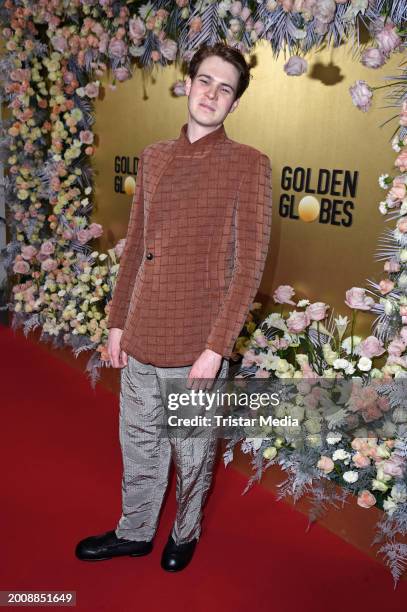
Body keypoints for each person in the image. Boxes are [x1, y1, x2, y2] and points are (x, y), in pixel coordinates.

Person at [75, 42, 272, 572]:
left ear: (234, 103)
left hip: (196, 345)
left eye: (225, 88)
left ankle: (184, 533)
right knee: (139, 445)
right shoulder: (154, 155)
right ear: (188, 83)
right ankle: (134, 531)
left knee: (193, 454)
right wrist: (117, 323)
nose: (211, 93)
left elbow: (248, 268)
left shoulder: (249, 164)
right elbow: (137, 245)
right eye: (205, 80)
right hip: (142, 331)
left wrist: (216, 348)